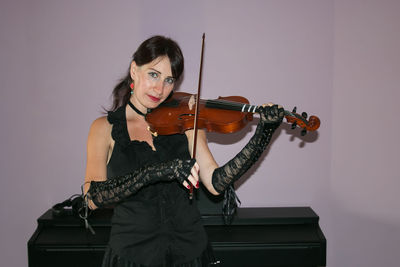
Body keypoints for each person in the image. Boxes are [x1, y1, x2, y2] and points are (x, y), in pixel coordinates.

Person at [83, 35, 284, 267]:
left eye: (169, 80)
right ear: (134, 70)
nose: (160, 89)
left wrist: (263, 135)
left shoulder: (187, 120)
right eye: (153, 74)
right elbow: (92, 198)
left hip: (189, 252)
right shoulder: (104, 129)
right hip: (133, 256)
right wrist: (154, 173)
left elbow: (216, 183)